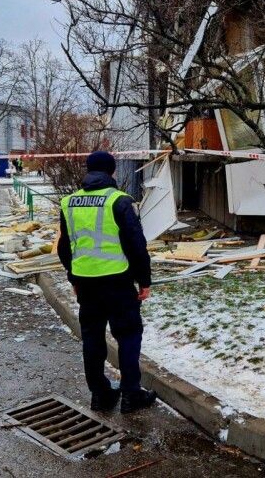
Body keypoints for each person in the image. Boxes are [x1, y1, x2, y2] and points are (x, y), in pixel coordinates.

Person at [57, 151, 156, 413]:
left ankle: (100, 395)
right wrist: (144, 280)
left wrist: (73, 277)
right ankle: (131, 395)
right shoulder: (119, 201)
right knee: (128, 335)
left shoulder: (69, 202)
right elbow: (136, 245)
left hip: (86, 284)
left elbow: (65, 247)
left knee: (92, 338)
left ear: (88, 171)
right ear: (112, 172)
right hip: (118, 282)